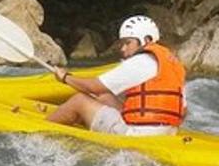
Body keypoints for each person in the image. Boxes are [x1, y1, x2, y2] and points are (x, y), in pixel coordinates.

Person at [46, 15, 186, 136]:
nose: (123, 49)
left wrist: (65, 77)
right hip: (165, 133)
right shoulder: (172, 64)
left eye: (128, 43)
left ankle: (42, 129)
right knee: (105, 97)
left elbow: (94, 87)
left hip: (137, 135)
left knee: (79, 100)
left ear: (147, 40)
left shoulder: (140, 62)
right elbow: (183, 110)